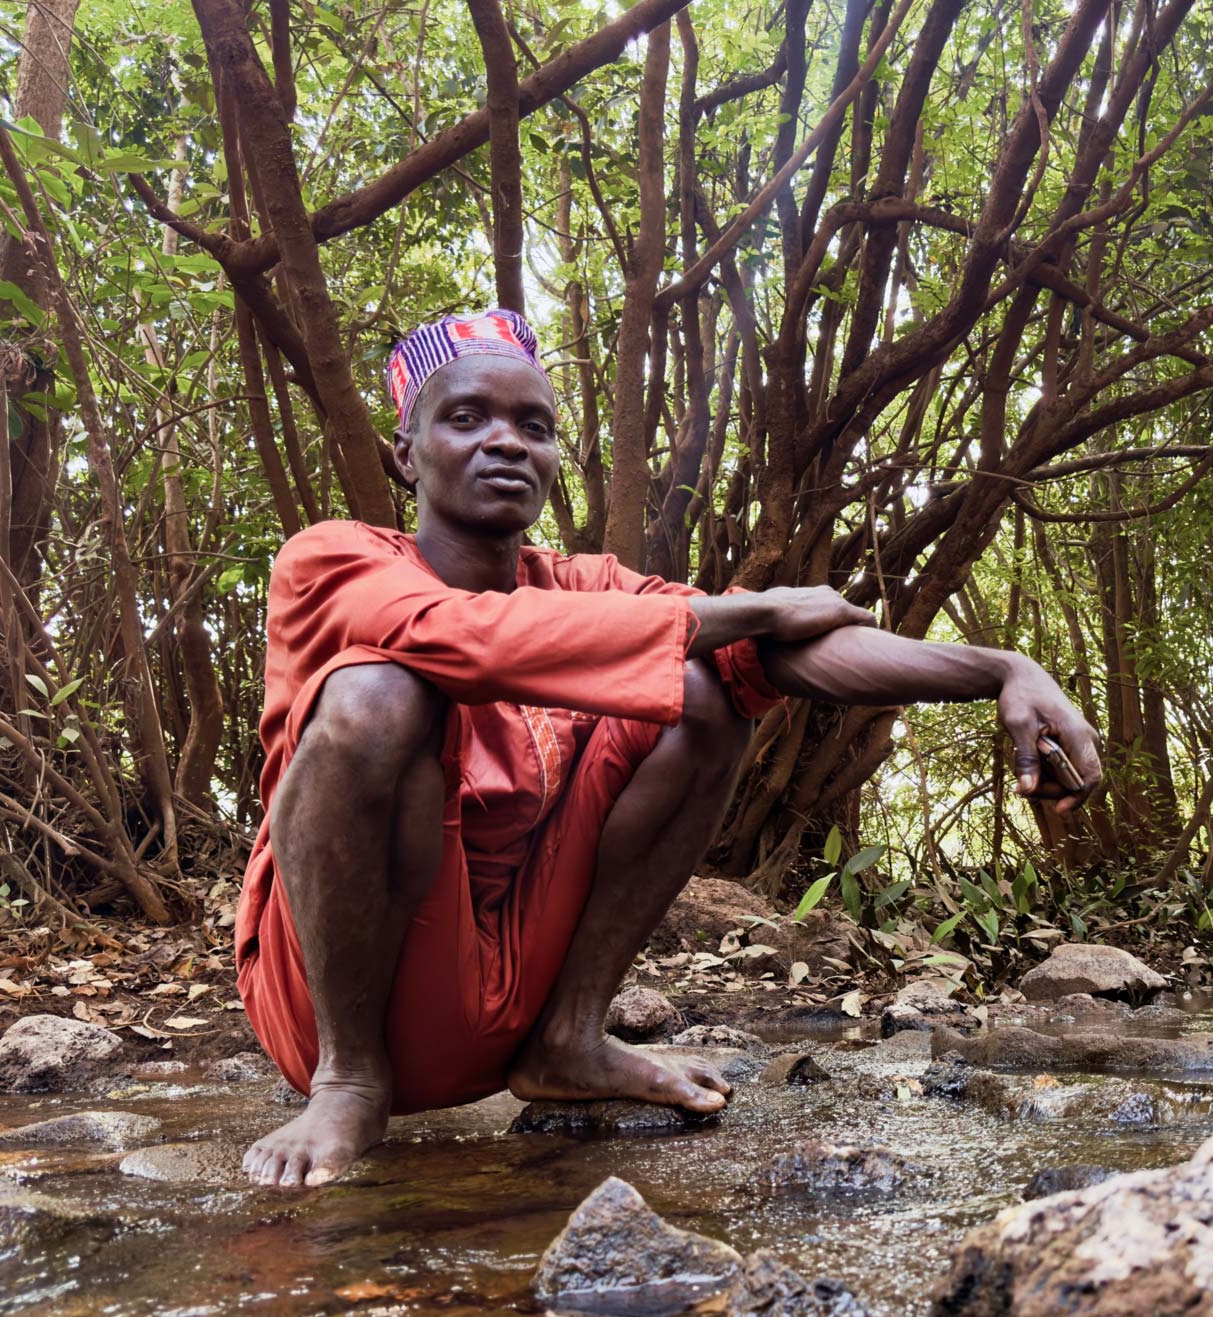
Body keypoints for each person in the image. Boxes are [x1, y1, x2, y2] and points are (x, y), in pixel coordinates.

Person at [235, 309, 1102, 1187]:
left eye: (533, 427)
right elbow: (468, 636)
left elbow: (778, 647)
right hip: (338, 1002)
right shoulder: (331, 559)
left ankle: (568, 1037)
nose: (505, 443)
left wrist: (1001, 668)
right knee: (377, 690)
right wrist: (760, 604)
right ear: (405, 453)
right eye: (466, 419)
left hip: (509, 981)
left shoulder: (586, 587)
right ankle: (349, 1082)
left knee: (703, 686)